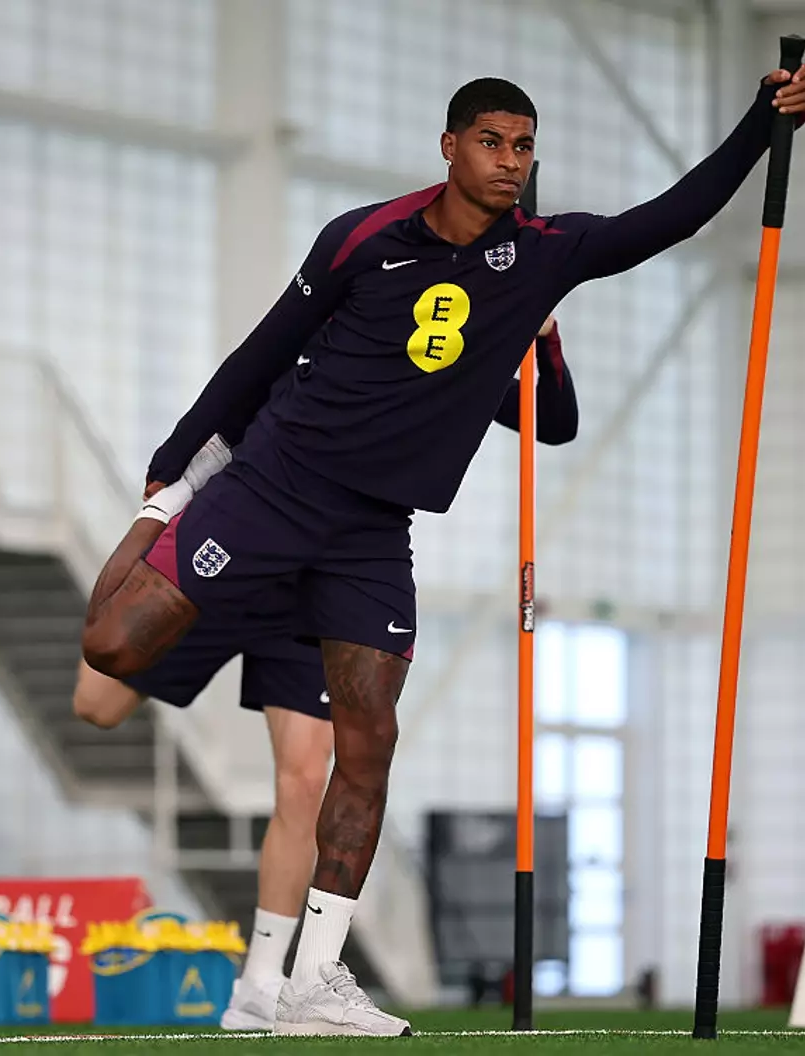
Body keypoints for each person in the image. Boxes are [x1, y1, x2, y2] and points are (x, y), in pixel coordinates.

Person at [82, 66, 805, 1037]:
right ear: (450, 146)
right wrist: (176, 470)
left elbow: (669, 219)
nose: (510, 163)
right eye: (492, 143)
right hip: (272, 488)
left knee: (368, 743)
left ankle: (312, 981)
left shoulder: (547, 254)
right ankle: (168, 518)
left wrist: (761, 125)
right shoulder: (361, 237)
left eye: (523, 147)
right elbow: (260, 355)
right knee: (112, 649)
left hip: (373, 532)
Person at [71, 314, 575, 1031]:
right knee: (96, 702)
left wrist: (543, 336)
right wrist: (170, 498)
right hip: (242, 541)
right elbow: (234, 402)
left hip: (317, 584)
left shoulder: (460, 355)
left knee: (304, 780)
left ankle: (260, 984)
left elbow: (550, 423)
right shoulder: (351, 315)